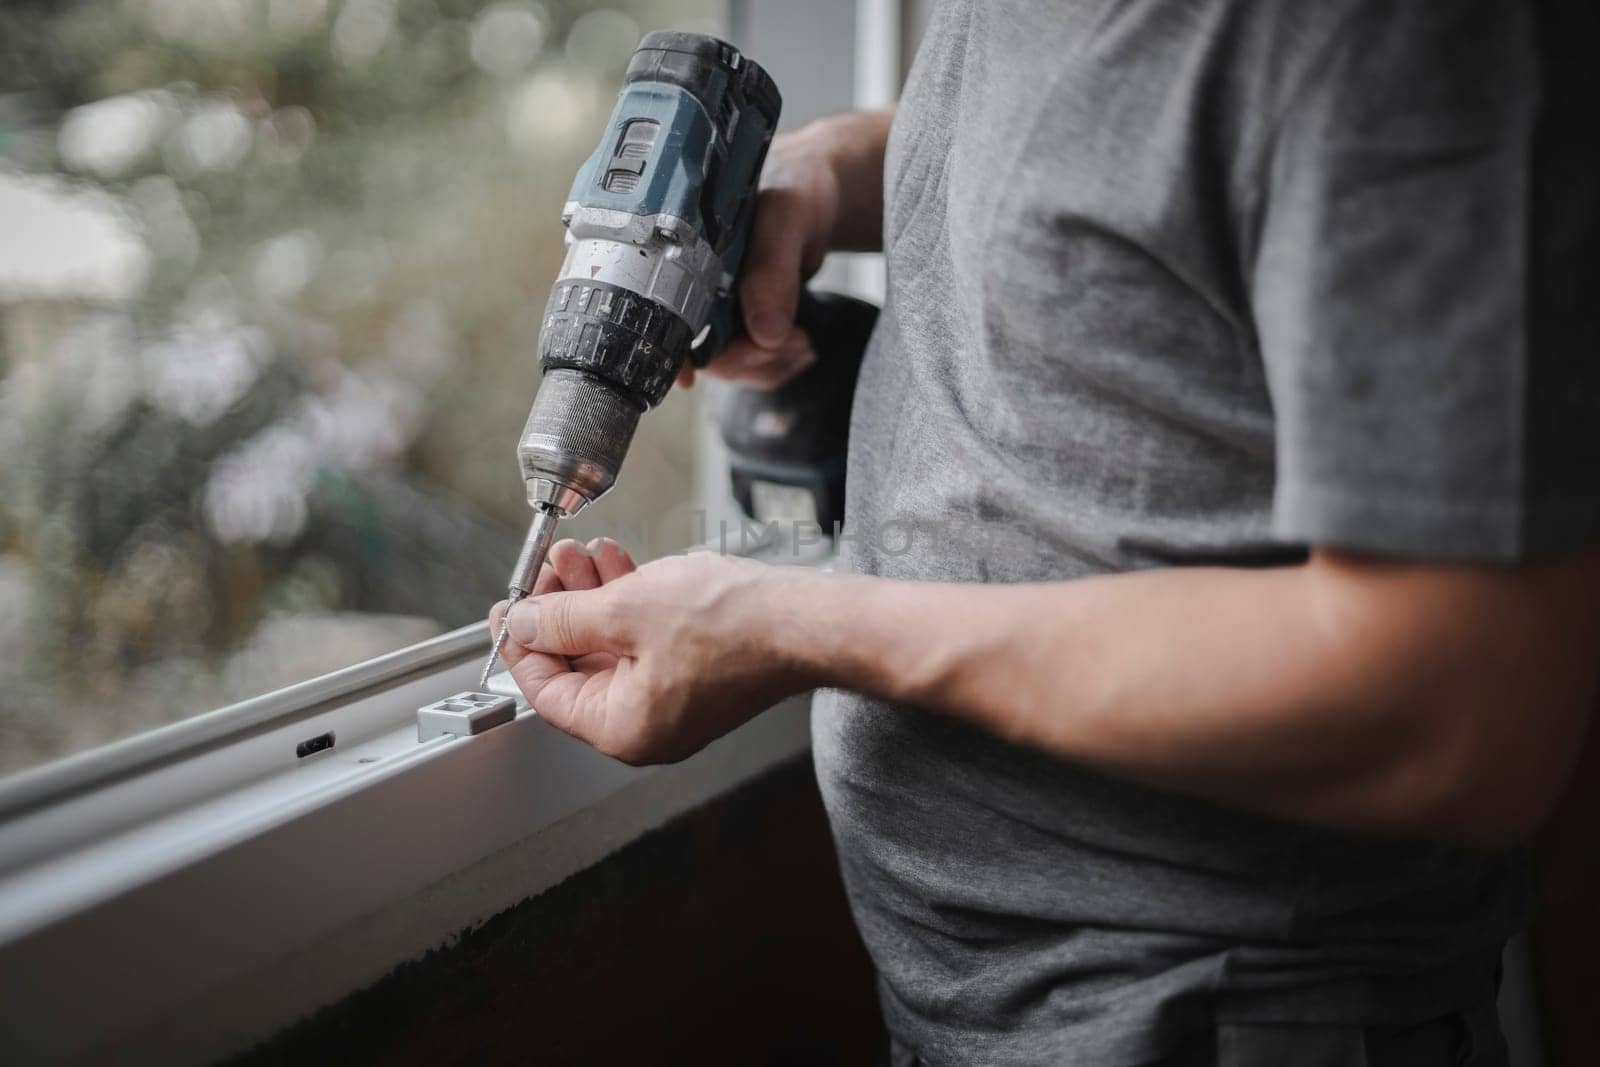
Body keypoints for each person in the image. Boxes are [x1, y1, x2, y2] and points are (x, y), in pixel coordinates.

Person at [489, 1, 1600, 1063]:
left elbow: (1459, 711)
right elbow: (1124, 144)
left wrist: (788, 623)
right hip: (972, 1009)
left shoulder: (1412, 35)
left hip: (1221, 1018)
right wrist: (834, 172)